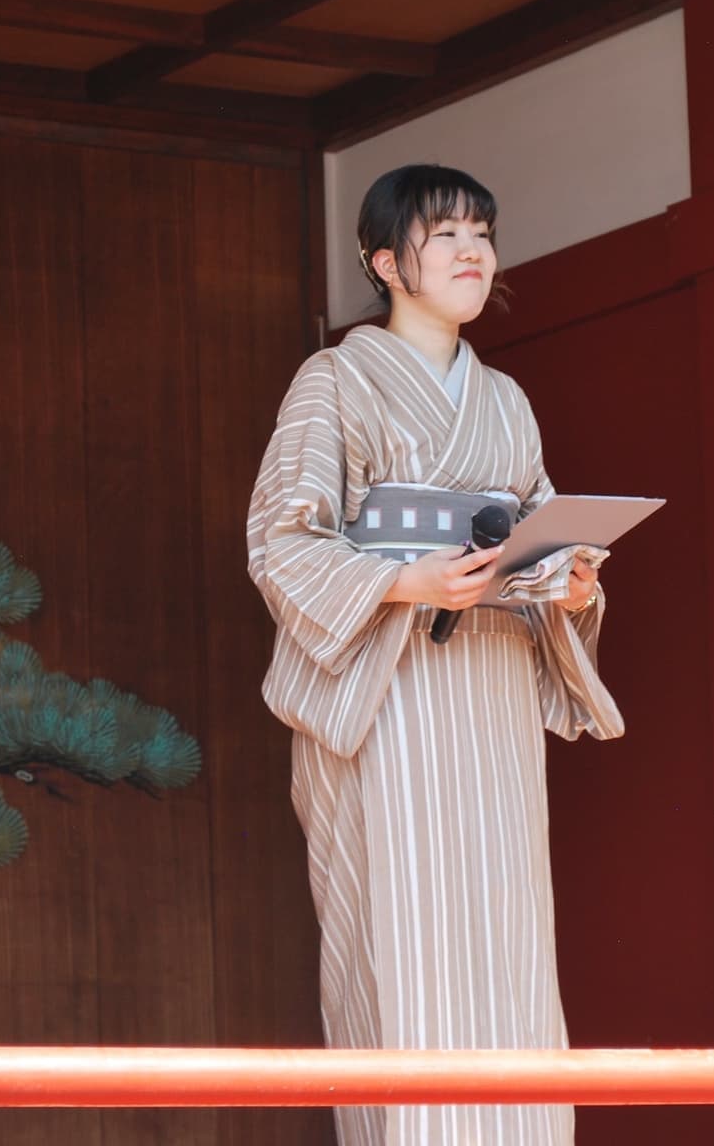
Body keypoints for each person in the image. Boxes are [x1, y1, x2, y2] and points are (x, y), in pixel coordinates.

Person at [247, 164, 622, 1146]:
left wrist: (567, 584)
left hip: (490, 701)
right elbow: (283, 538)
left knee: (507, 947)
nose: (470, 251)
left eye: (481, 234)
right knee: (400, 948)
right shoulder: (336, 378)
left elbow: (533, 538)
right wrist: (400, 583)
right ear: (384, 261)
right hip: (390, 695)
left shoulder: (505, 400)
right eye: (443, 233)